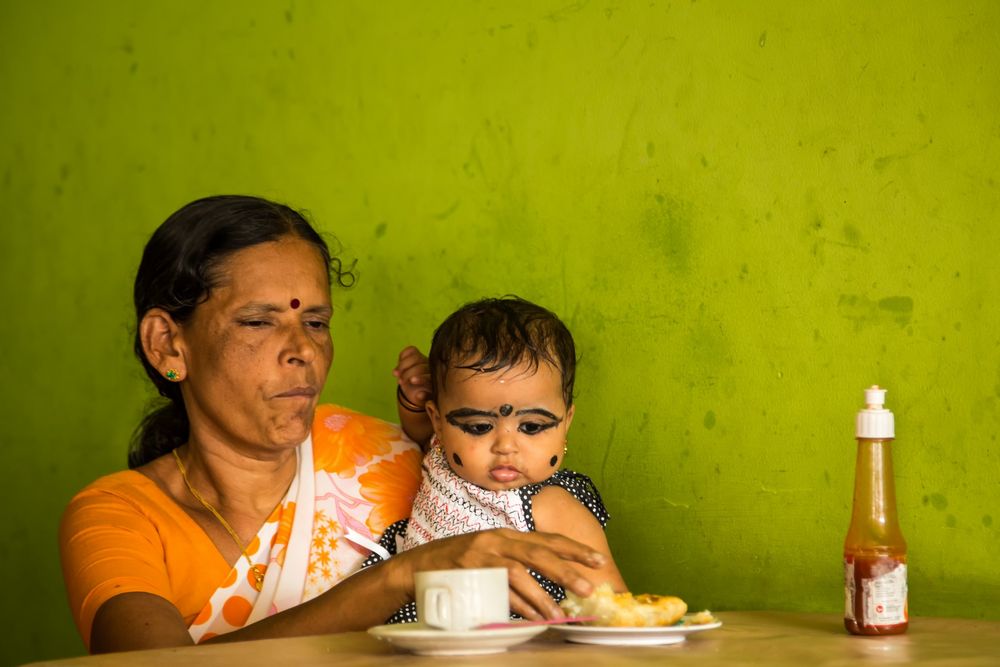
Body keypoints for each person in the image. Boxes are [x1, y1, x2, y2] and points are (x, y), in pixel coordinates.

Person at [58, 195, 607, 654]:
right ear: (167, 343)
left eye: (315, 322)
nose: (302, 350)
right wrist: (401, 575)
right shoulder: (123, 517)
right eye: (257, 321)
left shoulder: (409, 466)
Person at [370, 296, 627, 622]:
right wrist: (413, 395)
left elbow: (610, 600)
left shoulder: (552, 506)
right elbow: (418, 428)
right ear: (439, 421)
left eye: (531, 427)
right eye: (479, 427)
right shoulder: (443, 454)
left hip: (512, 646)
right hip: (416, 633)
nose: (506, 446)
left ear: (566, 423)